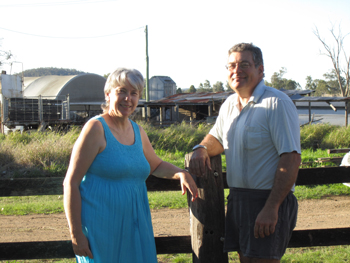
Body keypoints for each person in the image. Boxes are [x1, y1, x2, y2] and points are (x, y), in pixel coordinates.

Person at [63, 67, 198, 263]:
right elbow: (71, 183)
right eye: (122, 91)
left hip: (136, 227)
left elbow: (156, 165)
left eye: (134, 93)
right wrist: (76, 234)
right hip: (101, 229)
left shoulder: (138, 130)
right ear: (108, 94)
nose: (128, 98)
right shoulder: (96, 128)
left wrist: (180, 173)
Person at [189, 43, 301, 263]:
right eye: (231, 65)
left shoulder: (276, 103)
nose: (236, 70)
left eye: (244, 65)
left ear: (260, 69)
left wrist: (271, 208)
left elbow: (291, 158)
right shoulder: (230, 104)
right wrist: (201, 148)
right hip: (238, 199)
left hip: (266, 200)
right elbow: (217, 138)